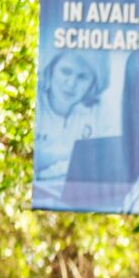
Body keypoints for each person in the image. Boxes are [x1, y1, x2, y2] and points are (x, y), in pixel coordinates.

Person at [33, 50, 109, 205]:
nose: (71, 83)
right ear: (51, 70)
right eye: (65, 72)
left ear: (93, 84)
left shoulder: (96, 112)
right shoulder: (34, 105)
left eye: (82, 77)